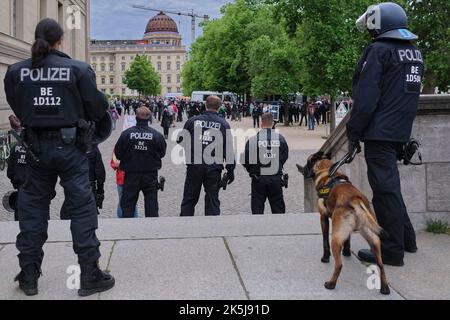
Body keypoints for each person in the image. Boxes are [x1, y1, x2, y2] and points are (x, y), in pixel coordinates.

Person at [3, 18, 114, 297]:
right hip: (71, 149)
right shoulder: (77, 69)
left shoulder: (16, 71)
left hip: (35, 150)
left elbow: (17, 104)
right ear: (60, 41)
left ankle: (29, 275)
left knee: (32, 211)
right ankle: (88, 274)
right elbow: (98, 107)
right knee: (82, 209)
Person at [348, 2, 423, 266]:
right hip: (399, 131)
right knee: (391, 189)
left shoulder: (379, 50)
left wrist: (353, 131)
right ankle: (407, 239)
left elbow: (366, 99)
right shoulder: (413, 52)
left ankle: (391, 250)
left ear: (378, 24)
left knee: (384, 192)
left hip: (379, 133)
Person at [178, 96, 236, 216]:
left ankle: (184, 226)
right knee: (212, 199)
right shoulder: (223, 124)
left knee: (189, 198)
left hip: (195, 165)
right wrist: (230, 170)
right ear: (219, 107)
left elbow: (181, 140)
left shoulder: (193, 121)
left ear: (205, 105)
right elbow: (228, 150)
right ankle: (213, 228)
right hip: (214, 167)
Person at [114, 107, 167, 218]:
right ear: (149, 118)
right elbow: (162, 153)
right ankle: (152, 228)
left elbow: (118, 154)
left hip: (131, 174)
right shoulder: (157, 135)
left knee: (128, 205)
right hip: (150, 174)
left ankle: (128, 228)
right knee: (151, 204)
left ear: (136, 118)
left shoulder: (126, 134)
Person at [243, 113, 289, 215]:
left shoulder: (253, 140)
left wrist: (253, 170)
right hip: (275, 178)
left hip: (258, 178)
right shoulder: (280, 139)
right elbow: (284, 156)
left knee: (257, 209)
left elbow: (246, 160)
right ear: (273, 124)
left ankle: (259, 229)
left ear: (260, 124)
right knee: (278, 209)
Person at [7, 116, 28, 222]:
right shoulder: (39, 149)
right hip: (39, 190)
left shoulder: (15, 147)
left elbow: (10, 171)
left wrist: (15, 183)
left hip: (21, 188)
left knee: (19, 219)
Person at [110, 152, 139, 218]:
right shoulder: (133, 145)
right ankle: (134, 218)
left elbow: (114, 163)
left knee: (124, 199)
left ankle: (123, 219)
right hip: (127, 178)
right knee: (130, 199)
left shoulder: (118, 147)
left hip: (123, 178)